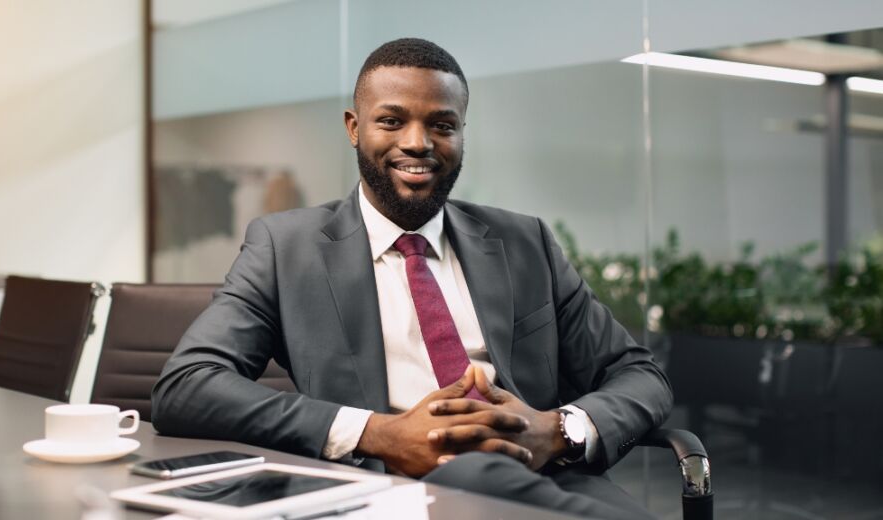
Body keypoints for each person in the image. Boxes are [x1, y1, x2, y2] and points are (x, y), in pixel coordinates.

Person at [152, 38, 671, 519]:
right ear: (355, 128)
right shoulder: (285, 247)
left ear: (462, 133)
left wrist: (556, 430)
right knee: (477, 471)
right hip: (387, 492)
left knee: (494, 475)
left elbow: (639, 374)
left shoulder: (524, 242)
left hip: (548, 480)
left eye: (442, 125)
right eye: (392, 121)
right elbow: (187, 387)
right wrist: (378, 433)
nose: (418, 142)